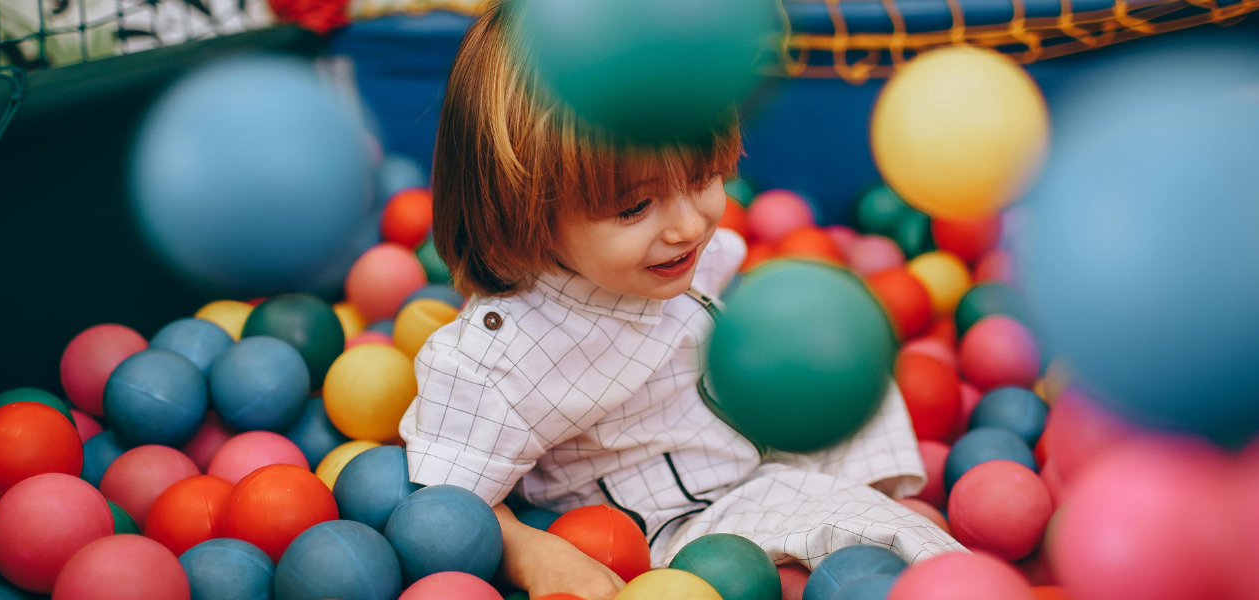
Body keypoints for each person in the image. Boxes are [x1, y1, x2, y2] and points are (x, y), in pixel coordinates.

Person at [399, 4, 964, 598]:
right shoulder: (499, 360)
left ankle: (854, 515)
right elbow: (446, 508)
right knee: (882, 537)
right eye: (634, 207)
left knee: (852, 364)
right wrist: (536, 555)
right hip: (694, 521)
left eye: (700, 178)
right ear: (523, 209)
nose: (690, 226)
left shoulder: (668, 253)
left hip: (751, 430)